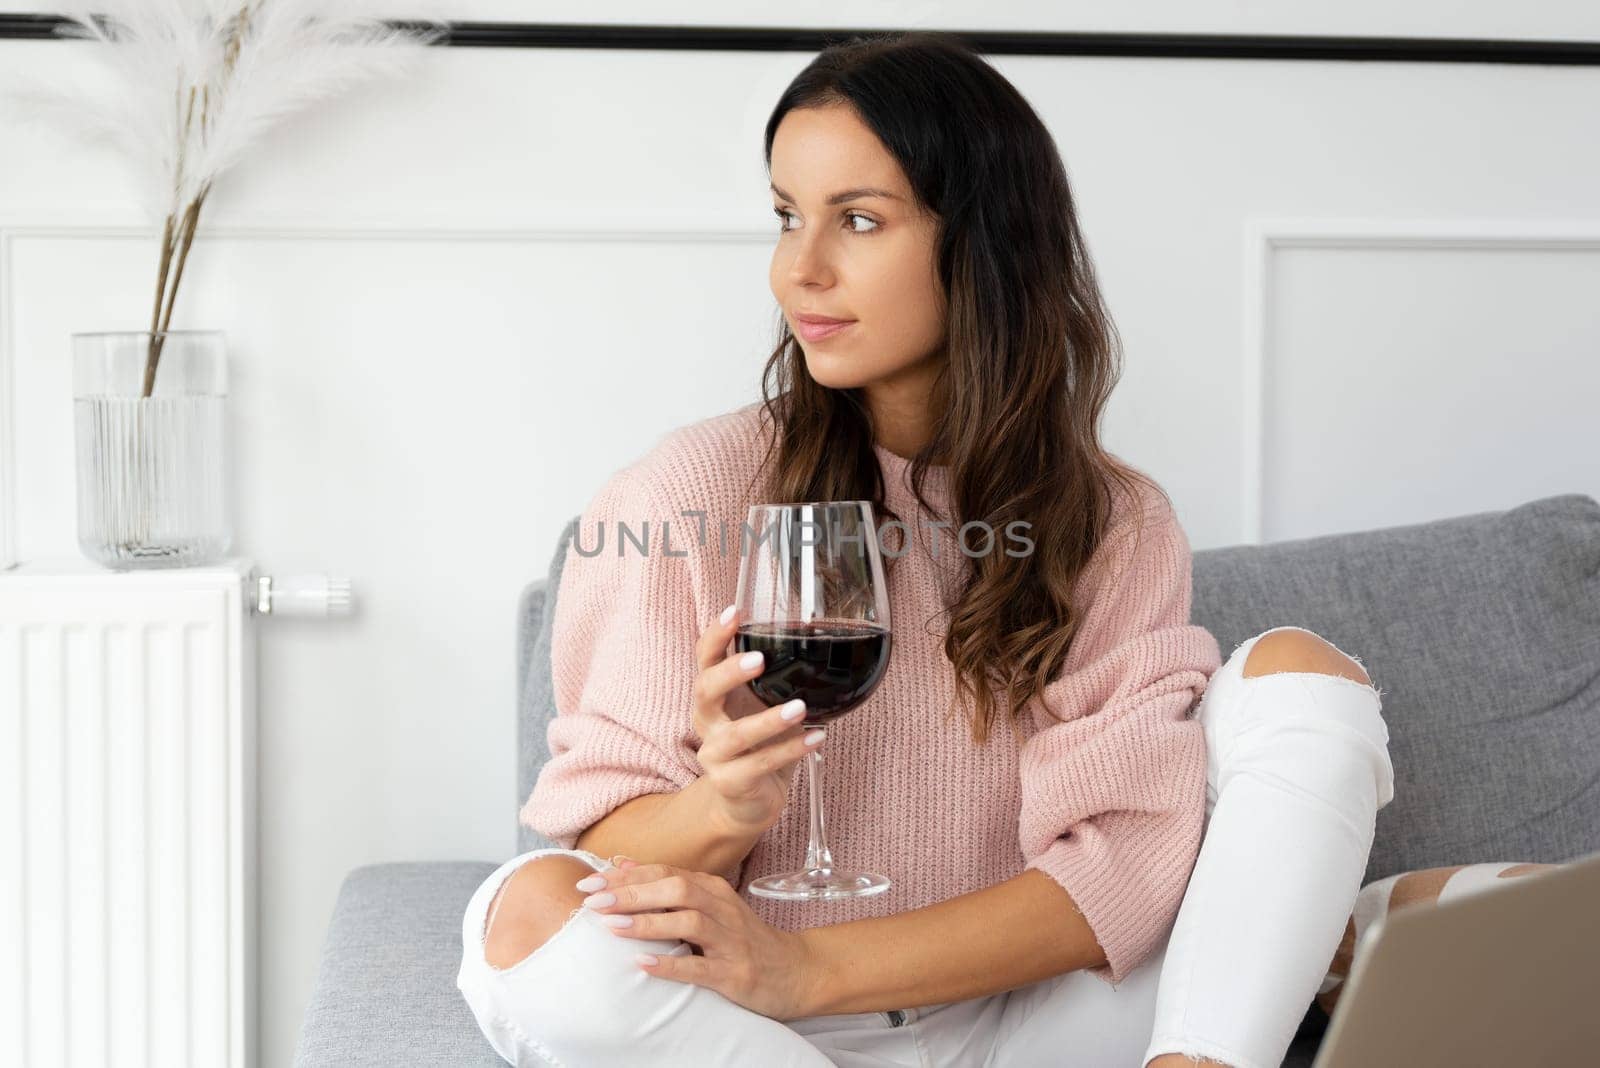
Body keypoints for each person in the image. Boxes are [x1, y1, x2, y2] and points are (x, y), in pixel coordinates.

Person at [454, 31, 1545, 1068]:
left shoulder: (1112, 521)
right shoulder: (682, 496)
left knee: (1302, 681)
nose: (802, 271)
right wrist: (724, 812)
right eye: (787, 216)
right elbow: (608, 863)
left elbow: (1119, 866)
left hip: (1029, 1018)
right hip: (757, 1037)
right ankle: (1337, 941)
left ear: (981, 241)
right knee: (521, 916)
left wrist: (809, 965)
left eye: (860, 221)